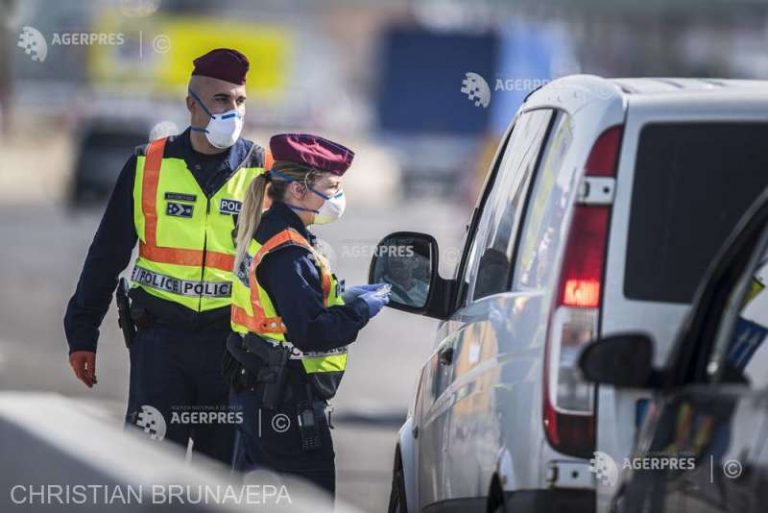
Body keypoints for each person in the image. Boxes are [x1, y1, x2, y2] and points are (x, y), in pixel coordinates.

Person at [63, 48, 271, 463]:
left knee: (221, 482)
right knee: (148, 470)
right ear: (191, 104)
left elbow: (283, 259)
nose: (233, 110)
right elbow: (107, 254)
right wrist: (82, 332)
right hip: (161, 345)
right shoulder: (147, 164)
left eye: (239, 101)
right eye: (220, 100)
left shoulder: (261, 169)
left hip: (232, 349)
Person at [225, 133, 390, 497]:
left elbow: (285, 309)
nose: (337, 197)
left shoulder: (267, 230)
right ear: (298, 191)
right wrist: (360, 310)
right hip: (284, 401)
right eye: (332, 187)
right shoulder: (290, 251)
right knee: (307, 500)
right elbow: (311, 332)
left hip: (257, 391)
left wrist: (343, 300)